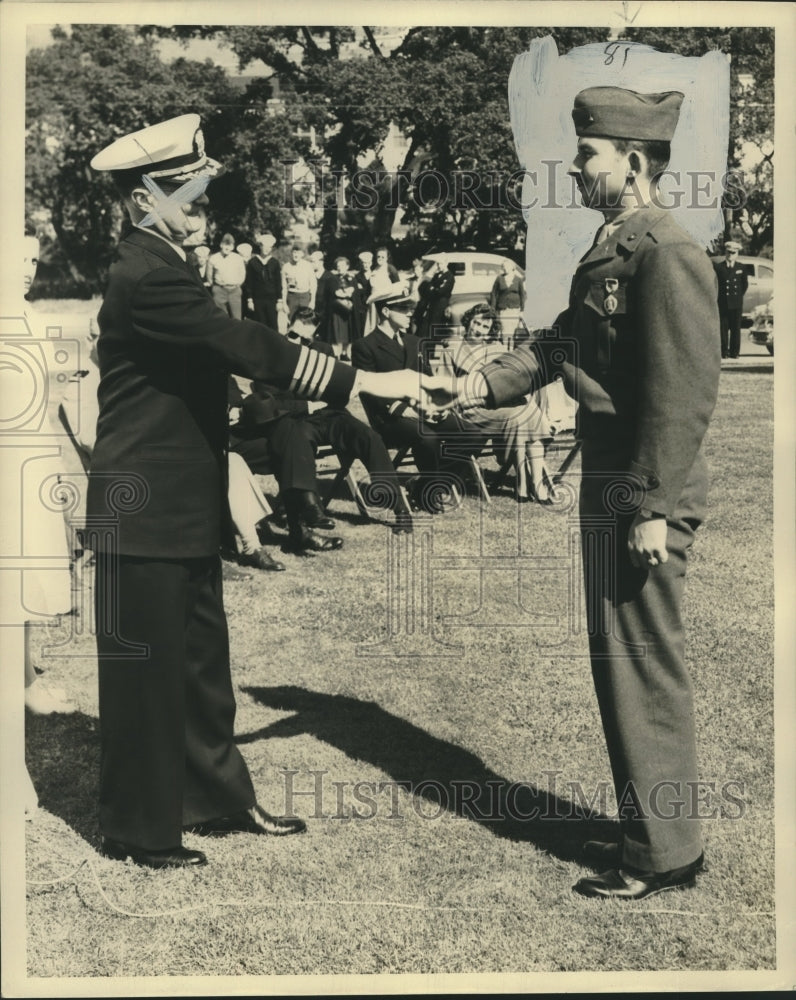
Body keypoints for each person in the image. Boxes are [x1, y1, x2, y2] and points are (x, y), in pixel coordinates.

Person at [86, 113, 425, 869]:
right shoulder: (148, 273)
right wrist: (361, 379)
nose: (208, 217)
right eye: (195, 201)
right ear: (146, 198)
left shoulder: (161, 263)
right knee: (145, 676)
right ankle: (139, 828)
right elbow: (246, 344)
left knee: (201, 664)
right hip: (140, 507)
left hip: (176, 502)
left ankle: (216, 797)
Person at [426, 87, 720, 900]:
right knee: (618, 664)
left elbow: (685, 391)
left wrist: (654, 506)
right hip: (614, 485)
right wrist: (479, 386)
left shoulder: (667, 251)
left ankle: (662, 854)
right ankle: (650, 829)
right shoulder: (616, 247)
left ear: (632, 161)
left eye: (587, 153)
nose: (575, 164)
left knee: (641, 665)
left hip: (639, 492)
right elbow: (562, 343)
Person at [353, 286, 473, 513]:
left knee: (472, 434)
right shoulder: (365, 346)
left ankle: (425, 485)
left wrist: (441, 405)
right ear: (386, 311)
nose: (410, 313)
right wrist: (405, 410)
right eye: (403, 309)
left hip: (423, 410)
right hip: (390, 419)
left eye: (410, 308)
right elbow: (369, 392)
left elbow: (429, 380)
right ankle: (431, 488)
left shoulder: (414, 342)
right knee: (427, 437)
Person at [432, 303, 554, 501]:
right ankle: (523, 483)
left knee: (531, 413)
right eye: (476, 323)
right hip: (471, 409)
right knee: (519, 417)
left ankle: (535, 484)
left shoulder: (496, 349)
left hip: (500, 404)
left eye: (484, 326)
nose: (479, 330)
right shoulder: (452, 350)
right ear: (468, 322)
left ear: (491, 329)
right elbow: (444, 387)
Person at [713, 240, 748, 358]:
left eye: (733, 253)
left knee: (735, 329)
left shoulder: (741, 267)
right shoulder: (719, 267)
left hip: (736, 303)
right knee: (723, 329)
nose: (730, 255)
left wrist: (737, 297)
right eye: (728, 252)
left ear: (737, 254)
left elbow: (744, 285)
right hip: (723, 303)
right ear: (725, 252)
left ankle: (735, 352)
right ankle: (724, 352)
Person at [244, 233, 284, 330]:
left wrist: (279, 300)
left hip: (272, 300)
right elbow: (249, 283)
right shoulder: (252, 262)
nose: (267, 249)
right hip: (258, 299)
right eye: (264, 246)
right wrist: (250, 300)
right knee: (260, 325)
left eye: (269, 247)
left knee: (273, 324)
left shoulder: (274, 263)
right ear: (260, 246)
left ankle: (273, 344)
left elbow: (278, 283)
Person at [413, 257, 455, 342]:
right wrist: (432, 288)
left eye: (441, 263)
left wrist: (432, 289)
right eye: (438, 264)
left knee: (435, 324)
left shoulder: (450, 276)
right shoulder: (437, 275)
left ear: (446, 264)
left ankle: (432, 344)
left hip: (441, 305)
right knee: (427, 324)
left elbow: (441, 291)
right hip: (433, 303)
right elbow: (428, 287)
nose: (439, 266)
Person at [206, 233, 247, 319]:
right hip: (219, 290)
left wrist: (237, 285)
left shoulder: (238, 258)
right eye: (225, 245)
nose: (227, 247)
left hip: (234, 291)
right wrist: (215, 288)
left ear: (233, 247)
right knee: (220, 318)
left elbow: (242, 274)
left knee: (236, 319)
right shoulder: (213, 258)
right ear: (221, 245)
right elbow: (209, 276)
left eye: (230, 245)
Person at [489, 259, 526, 348]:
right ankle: (505, 349)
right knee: (505, 331)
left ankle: (511, 349)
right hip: (503, 309)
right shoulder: (499, 279)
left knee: (512, 331)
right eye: (503, 267)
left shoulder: (518, 279)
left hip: (514, 309)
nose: (504, 268)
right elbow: (493, 293)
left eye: (506, 266)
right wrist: (493, 307)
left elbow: (522, 295)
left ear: (512, 267)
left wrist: (522, 310)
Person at [328, 256, 357, 361]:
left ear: (347, 266)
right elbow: (334, 292)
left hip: (348, 310)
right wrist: (344, 293)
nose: (340, 268)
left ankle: (345, 353)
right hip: (337, 310)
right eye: (338, 266)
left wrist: (349, 293)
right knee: (337, 332)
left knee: (348, 331)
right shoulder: (333, 279)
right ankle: (336, 353)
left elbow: (354, 292)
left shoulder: (352, 279)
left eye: (342, 266)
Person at [282, 245, 317, 319]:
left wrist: (312, 301)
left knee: (305, 320)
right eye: (294, 252)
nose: (296, 255)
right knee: (291, 320)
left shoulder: (308, 266)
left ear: (302, 254)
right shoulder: (286, 267)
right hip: (292, 297)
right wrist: (284, 303)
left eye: (298, 252)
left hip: (304, 296)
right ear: (291, 253)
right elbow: (283, 287)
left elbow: (313, 284)